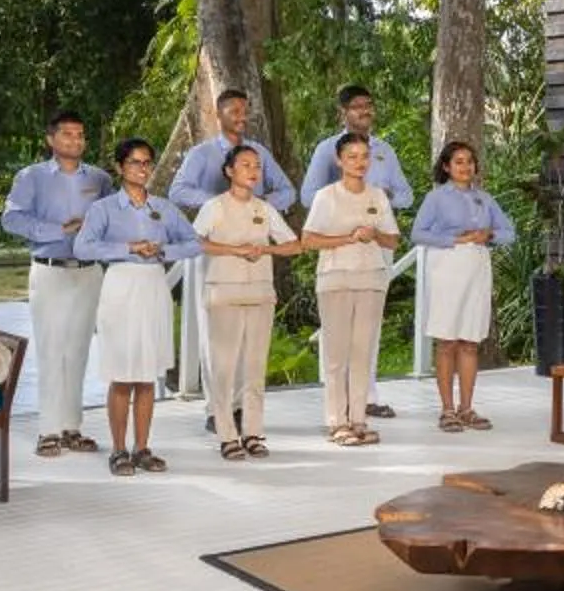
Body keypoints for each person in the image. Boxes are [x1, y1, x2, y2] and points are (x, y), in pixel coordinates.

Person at [76, 138, 200, 475]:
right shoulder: (104, 209)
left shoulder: (163, 208)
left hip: (153, 288)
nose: (142, 169)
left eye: (147, 162)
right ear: (120, 167)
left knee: (146, 374)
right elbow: (83, 247)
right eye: (134, 162)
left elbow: (194, 243)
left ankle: (142, 447)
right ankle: (118, 450)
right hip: (120, 287)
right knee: (122, 373)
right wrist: (129, 248)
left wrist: (163, 251)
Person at [0, 110, 111, 458]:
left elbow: (112, 218)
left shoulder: (100, 179)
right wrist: (58, 230)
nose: (75, 140)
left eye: (80, 135)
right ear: (51, 139)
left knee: (78, 350)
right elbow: (11, 218)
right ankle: (48, 430)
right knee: (51, 349)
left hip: (89, 272)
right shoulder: (31, 177)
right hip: (49, 270)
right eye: (67, 134)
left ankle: (71, 428)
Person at [299, 85, 414, 417]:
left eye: (369, 104)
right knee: (336, 331)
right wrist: (346, 199)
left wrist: (380, 197)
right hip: (339, 247)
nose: (364, 110)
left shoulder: (385, 151)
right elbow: (308, 196)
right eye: (357, 106)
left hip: (377, 244)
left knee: (368, 327)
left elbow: (405, 195)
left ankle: (367, 397)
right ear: (343, 112)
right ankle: (337, 403)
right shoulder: (327, 150)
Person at [191, 141, 299, 461]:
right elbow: (194, 241)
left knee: (254, 369)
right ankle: (227, 435)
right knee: (224, 369)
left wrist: (265, 249)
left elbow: (293, 245)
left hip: (260, 296)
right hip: (224, 295)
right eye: (245, 165)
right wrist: (234, 250)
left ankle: (252, 432)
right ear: (229, 171)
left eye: (257, 167)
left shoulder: (264, 209)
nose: (253, 171)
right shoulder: (215, 207)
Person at [409, 139, 515, 431]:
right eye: (458, 161)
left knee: (469, 342)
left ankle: (466, 408)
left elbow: (509, 232)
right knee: (448, 341)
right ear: (446, 166)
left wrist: (489, 235)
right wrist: (456, 239)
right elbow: (418, 233)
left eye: (469, 161)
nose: (465, 166)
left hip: (477, 271)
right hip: (447, 270)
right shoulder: (436, 198)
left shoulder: (485, 199)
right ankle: (447, 410)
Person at [301, 135, 400, 445]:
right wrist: (349, 238)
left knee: (362, 351)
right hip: (335, 279)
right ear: (339, 160)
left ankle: (358, 419)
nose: (360, 162)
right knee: (336, 354)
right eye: (352, 156)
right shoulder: (326, 196)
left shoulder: (377, 196)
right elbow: (308, 240)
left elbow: (393, 240)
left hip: (371, 279)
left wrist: (374, 235)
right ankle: (337, 421)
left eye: (364, 156)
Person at [167, 87, 296, 213]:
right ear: (218, 114)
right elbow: (177, 192)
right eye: (235, 112)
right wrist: (221, 202)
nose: (243, 118)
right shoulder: (201, 153)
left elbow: (288, 192)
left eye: (246, 112)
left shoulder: (260, 152)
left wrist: (261, 202)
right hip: (216, 225)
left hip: (255, 224)